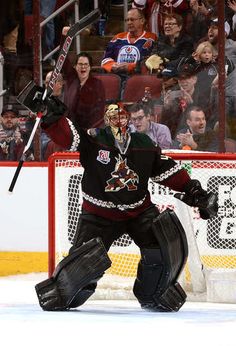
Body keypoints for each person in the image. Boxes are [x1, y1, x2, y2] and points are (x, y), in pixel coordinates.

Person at [31, 94, 218, 312]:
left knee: (160, 247)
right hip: (99, 215)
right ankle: (62, 292)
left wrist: (194, 191)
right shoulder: (93, 140)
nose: (117, 119)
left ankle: (155, 293)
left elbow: (165, 170)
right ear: (105, 120)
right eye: (112, 115)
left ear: (127, 119)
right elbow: (68, 136)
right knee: (83, 266)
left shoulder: (143, 143)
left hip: (138, 211)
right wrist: (52, 118)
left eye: (121, 115)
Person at [59, 29, 106, 129]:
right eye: (80, 64)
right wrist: (64, 38)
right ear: (75, 66)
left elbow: (99, 110)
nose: (83, 67)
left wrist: (92, 130)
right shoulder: (71, 79)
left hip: (89, 129)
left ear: (90, 67)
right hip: (70, 128)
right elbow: (62, 59)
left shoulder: (97, 84)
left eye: (86, 64)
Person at [101, 8, 157, 75]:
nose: (129, 22)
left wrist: (131, 66)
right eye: (127, 20)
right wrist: (112, 65)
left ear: (142, 21)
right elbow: (105, 58)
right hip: (118, 77)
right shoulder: (118, 38)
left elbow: (154, 61)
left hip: (140, 79)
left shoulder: (151, 38)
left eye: (132, 20)